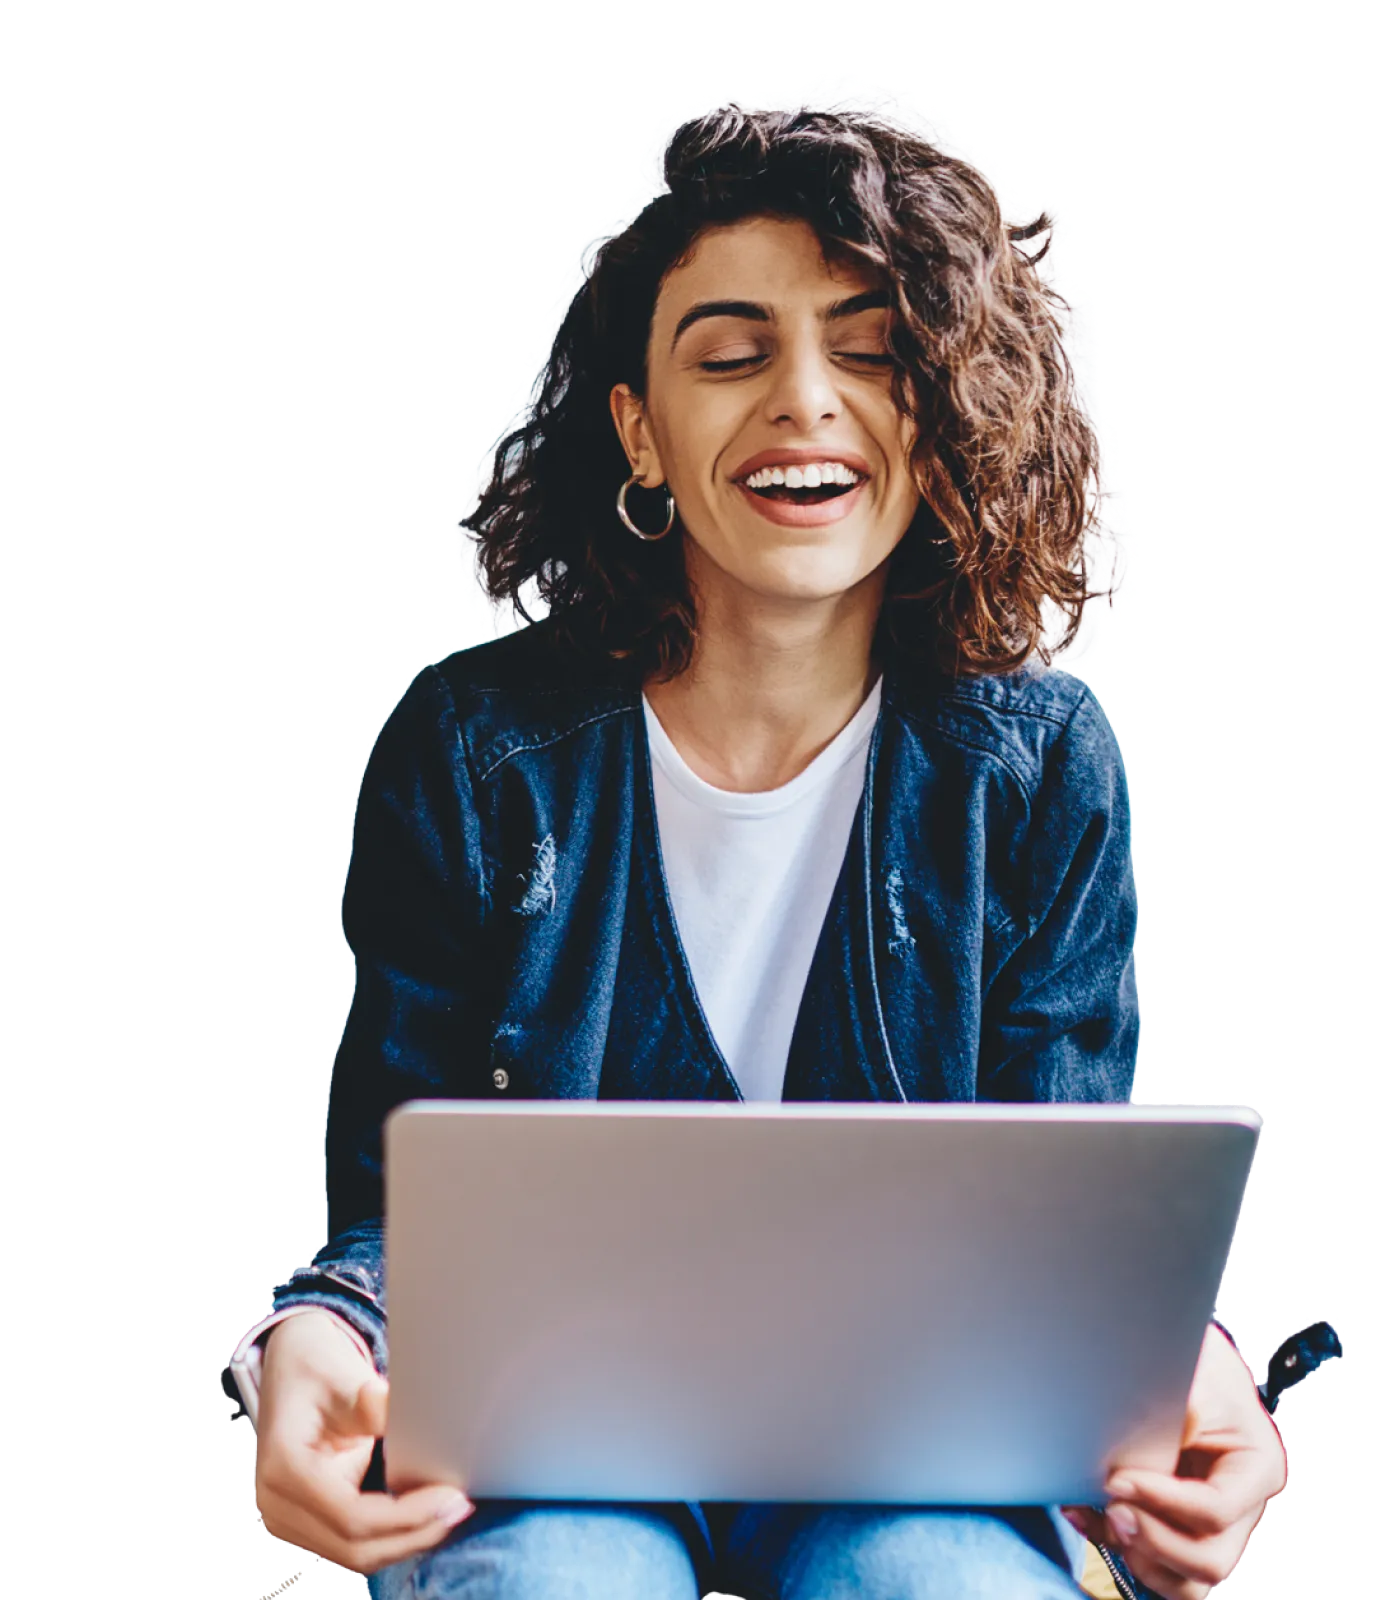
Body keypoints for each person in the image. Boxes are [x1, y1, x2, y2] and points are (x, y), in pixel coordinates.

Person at [231, 93, 1288, 1599]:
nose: (804, 400)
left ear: (943, 417)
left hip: (923, 1466)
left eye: (873, 352)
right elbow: (402, 1205)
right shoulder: (469, 751)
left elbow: (1067, 1221)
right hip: (552, 1465)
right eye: (731, 355)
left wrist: (1189, 1374)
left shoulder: (1044, 767)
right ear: (640, 432)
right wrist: (316, 1338)